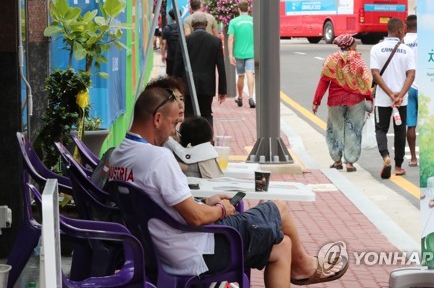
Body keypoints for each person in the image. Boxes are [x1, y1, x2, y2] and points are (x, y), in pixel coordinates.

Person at [108, 85, 349, 287]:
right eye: (172, 124)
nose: (173, 132)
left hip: (160, 248)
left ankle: (300, 267)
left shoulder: (119, 155)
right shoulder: (157, 158)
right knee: (278, 208)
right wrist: (223, 209)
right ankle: (305, 266)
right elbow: (194, 217)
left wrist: (204, 202)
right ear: (157, 119)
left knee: (282, 245)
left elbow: (162, 204)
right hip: (194, 252)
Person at [311, 34, 373, 172]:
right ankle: (350, 163)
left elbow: (324, 81)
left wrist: (316, 101)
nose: (356, 48)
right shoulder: (358, 60)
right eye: (355, 45)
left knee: (335, 129)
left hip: (335, 100)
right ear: (350, 46)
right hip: (355, 100)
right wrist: (370, 99)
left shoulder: (331, 60)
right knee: (354, 130)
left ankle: (337, 161)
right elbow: (366, 81)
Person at [370, 18, 416, 179]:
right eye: (403, 29)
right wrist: (400, 95)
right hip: (401, 101)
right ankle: (397, 167)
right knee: (399, 131)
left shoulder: (376, 49)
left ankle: (385, 156)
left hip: (383, 99)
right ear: (398, 31)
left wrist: (389, 94)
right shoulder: (407, 50)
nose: (404, 32)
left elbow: (375, 74)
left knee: (381, 129)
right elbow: (411, 75)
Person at [173, 12, 227, 128]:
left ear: (192, 25)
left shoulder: (185, 40)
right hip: (207, 85)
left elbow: (178, 63)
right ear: (206, 24)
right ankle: (207, 140)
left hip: (188, 84)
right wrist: (222, 90)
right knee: (206, 113)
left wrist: (175, 86)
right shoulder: (215, 41)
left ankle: (189, 141)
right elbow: (221, 67)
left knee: (189, 114)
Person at [228, 0, 256, 108]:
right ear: (248, 9)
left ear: (238, 9)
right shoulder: (253, 21)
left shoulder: (234, 22)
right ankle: (250, 97)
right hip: (251, 53)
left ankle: (239, 97)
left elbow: (230, 39)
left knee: (240, 76)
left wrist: (231, 55)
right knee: (250, 74)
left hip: (238, 53)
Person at [404, 14, 418, 168]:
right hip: (425, 85)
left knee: (411, 125)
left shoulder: (402, 42)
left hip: (409, 86)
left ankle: (413, 158)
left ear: (405, 25)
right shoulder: (426, 40)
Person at [161, 9, 180, 76]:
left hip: (170, 55)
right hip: (181, 56)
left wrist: (163, 54)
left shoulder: (167, 28)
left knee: (170, 75)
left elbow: (164, 43)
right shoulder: (183, 27)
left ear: (170, 17)